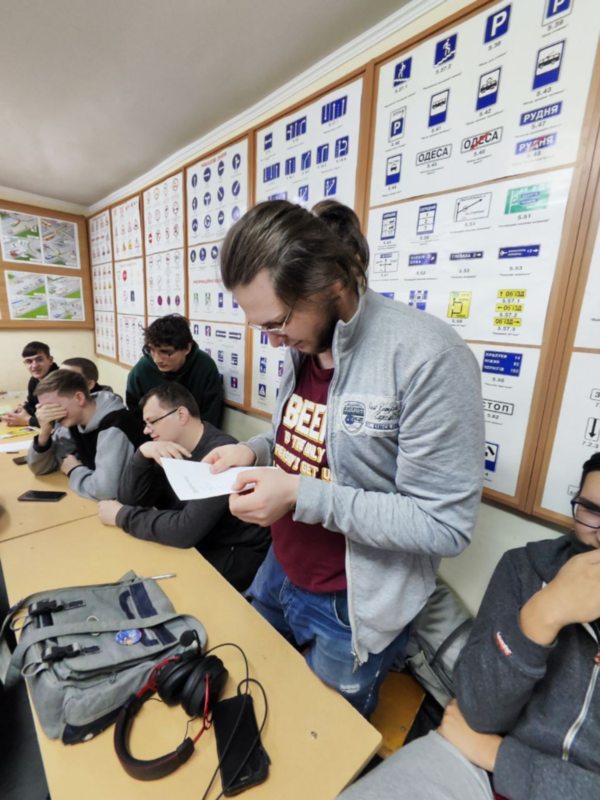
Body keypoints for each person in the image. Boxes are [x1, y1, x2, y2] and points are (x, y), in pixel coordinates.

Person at [204, 200, 484, 716]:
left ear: (331, 285)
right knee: (246, 694)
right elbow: (309, 437)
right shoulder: (306, 342)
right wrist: (255, 449)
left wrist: (300, 495)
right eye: (261, 327)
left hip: (349, 604)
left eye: (277, 322)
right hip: (280, 568)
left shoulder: (427, 356)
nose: (273, 341)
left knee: (321, 734)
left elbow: (443, 524)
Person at [338, 452, 600, 799]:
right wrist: (542, 615)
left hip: (494, 755)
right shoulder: (526, 567)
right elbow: (475, 710)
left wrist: (499, 758)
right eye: (592, 511)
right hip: (473, 761)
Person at [97, 383, 270, 592]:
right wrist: (142, 454)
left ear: (181, 415)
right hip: (197, 545)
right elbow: (129, 500)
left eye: (152, 421)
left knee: (155, 590)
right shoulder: (167, 447)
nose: (146, 430)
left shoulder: (222, 455)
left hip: (231, 555)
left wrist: (121, 516)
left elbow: (185, 530)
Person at [27, 369, 145, 500]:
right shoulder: (74, 420)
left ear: (79, 398)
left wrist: (74, 470)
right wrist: (44, 432)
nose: (48, 414)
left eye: (52, 407)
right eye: (44, 409)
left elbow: (105, 491)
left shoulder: (115, 425)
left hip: (141, 502)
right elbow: (43, 468)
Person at [126, 314, 224, 428]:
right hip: (152, 435)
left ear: (187, 348)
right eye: (151, 350)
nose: (157, 359)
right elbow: (135, 417)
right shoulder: (141, 370)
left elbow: (211, 418)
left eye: (166, 352)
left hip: (194, 435)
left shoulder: (205, 367)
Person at [3, 341, 58, 427]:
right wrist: (22, 411)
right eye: (29, 361)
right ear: (25, 364)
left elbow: (59, 420)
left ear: (50, 360)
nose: (34, 365)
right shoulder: (34, 380)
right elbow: (33, 405)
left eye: (39, 360)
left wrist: (28, 420)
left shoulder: (61, 381)